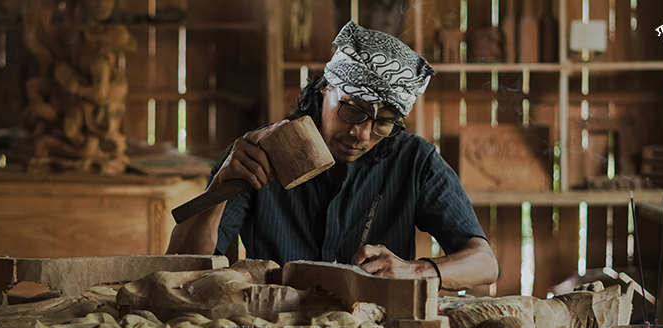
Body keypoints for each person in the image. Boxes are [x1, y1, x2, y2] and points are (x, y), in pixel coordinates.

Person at [167, 22, 498, 291]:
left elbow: (484, 263)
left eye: (383, 121)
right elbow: (182, 265)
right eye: (352, 110)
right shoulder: (259, 152)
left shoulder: (415, 161)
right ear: (324, 90)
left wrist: (418, 270)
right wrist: (222, 184)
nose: (362, 133)